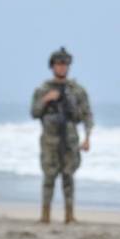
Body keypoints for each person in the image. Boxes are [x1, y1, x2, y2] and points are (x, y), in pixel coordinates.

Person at [30, 47, 93, 224]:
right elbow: (34, 112)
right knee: (49, 177)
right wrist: (46, 99)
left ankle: (69, 215)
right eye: (58, 64)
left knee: (68, 176)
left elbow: (87, 114)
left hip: (70, 139)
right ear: (52, 66)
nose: (62, 67)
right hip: (50, 140)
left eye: (65, 64)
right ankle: (45, 215)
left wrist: (87, 137)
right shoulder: (43, 89)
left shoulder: (76, 90)